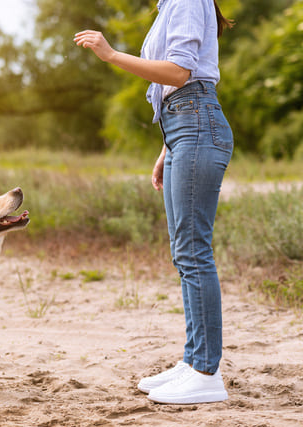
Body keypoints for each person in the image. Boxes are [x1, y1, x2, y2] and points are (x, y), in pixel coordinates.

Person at [74, 0, 234, 404]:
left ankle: (205, 373)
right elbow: (179, 82)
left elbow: (180, 73)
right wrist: (167, 146)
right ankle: (193, 360)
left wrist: (111, 55)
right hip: (183, 129)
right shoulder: (169, 6)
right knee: (184, 253)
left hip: (196, 124)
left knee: (194, 252)